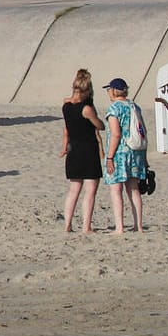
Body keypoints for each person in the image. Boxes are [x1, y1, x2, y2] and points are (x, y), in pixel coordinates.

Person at [60, 69, 106, 233]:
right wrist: (96, 118)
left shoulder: (66, 106)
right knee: (90, 191)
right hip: (88, 150)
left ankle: (68, 224)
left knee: (73, 190)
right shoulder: (87, 109)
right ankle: (86, 226)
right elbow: (100, 126)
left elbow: (67, 129)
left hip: (74, 150)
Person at [101, 77, 148, 234]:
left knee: (116, 189)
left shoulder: (114, 109)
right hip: (136, 151)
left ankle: (119, 227)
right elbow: (143, 132)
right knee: (133, 189)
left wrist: (109, 157)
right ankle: (138, 225)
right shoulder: (135, 107)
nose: (108, 92)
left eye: (109, 89)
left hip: (120, 152)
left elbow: (115, 134)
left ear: (114, 91)